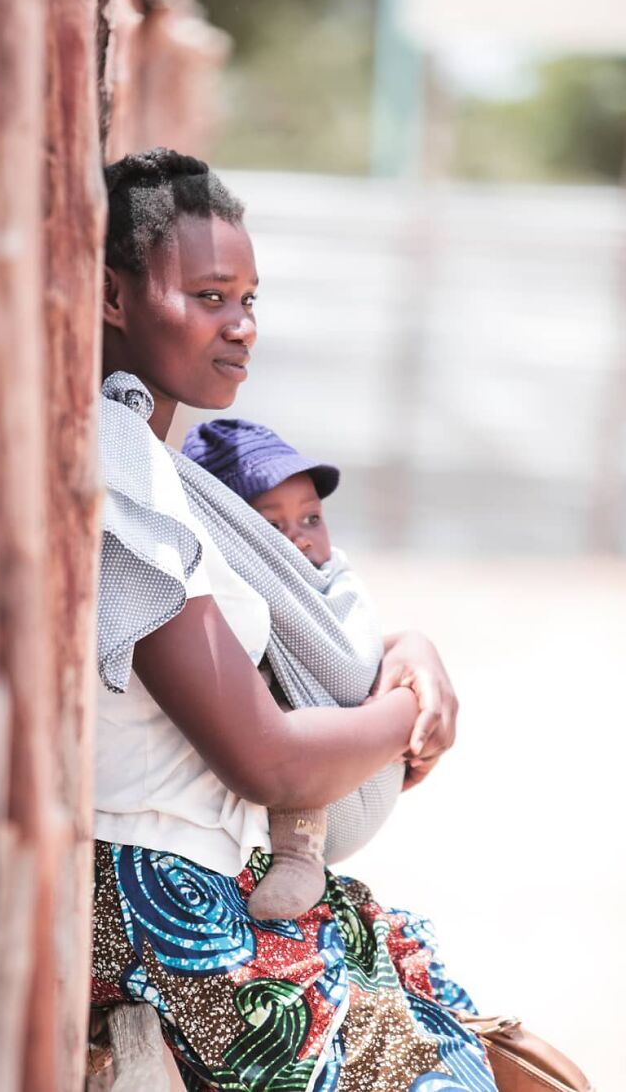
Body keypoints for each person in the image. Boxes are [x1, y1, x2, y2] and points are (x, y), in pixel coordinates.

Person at [93, 148, 492, 1092]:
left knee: (439, 1006)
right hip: (161, 899)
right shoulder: (120, 478)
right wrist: (410, 710)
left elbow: (289, 633)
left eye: (250, 300)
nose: (241, 328)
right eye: (209, 296)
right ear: (114, 298)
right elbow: (265, 758)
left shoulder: (163, 468)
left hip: (206, 874)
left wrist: (409, 652)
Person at [181, 417, 406, 922]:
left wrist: (409, 651)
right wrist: (404, 715)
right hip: (296, 771)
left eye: (311, 519)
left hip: (362, 757)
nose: (301, 540)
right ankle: (297, 855)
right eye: (272, 526)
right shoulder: (232, 598)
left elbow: (356, 650)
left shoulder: (334, 579)